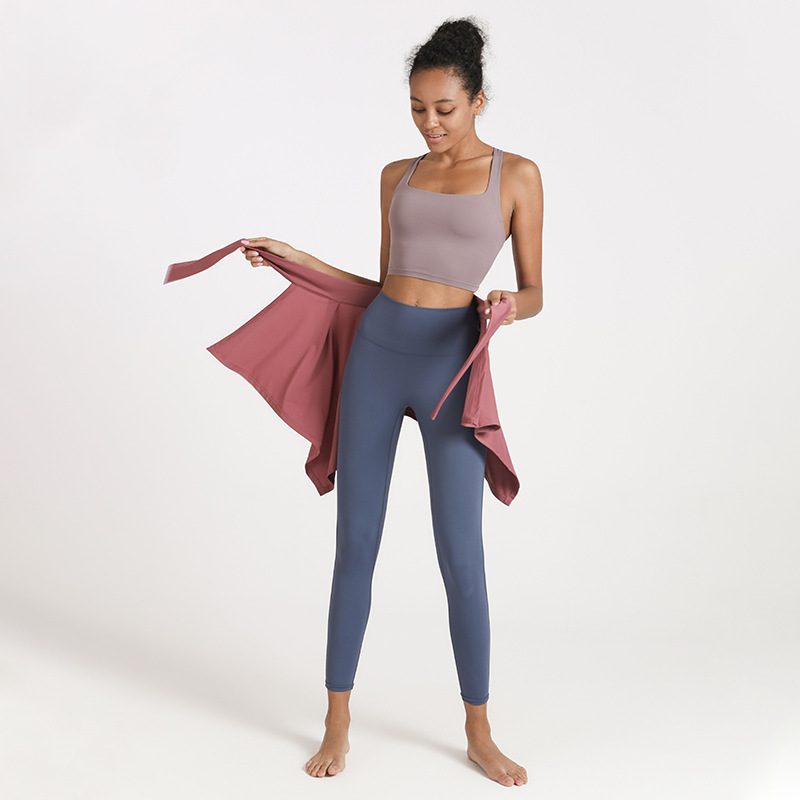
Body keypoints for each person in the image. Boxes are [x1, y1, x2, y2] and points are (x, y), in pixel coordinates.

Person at [240, 17, 542, 786]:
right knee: (357, 545)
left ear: (477, 101)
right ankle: (336, 721)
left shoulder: (516, 176)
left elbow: (536, 290)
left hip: (449, 368)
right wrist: (299, 258)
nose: (429, 122)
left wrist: (511, 303)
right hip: (378, 357)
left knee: (461, 555)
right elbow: (385, 284)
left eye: (444, 108)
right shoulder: (394, 176)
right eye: (417, 108)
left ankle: (479, 730)